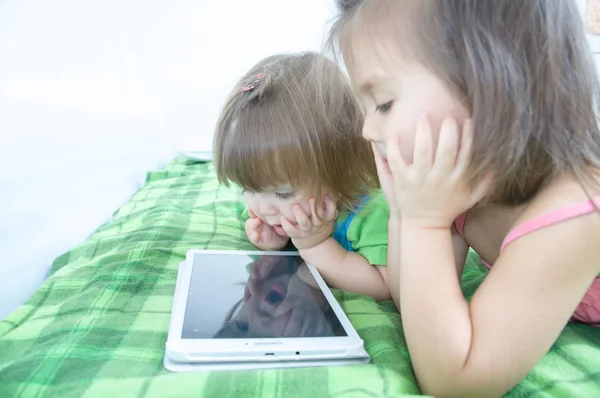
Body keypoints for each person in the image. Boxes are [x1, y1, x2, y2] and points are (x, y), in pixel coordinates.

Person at [327, 0, 600, 396]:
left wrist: (425, 222)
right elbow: (414, 302)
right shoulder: (462, 189)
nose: (368, 129)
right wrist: (405, 211)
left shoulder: (578, 207)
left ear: (493, 88)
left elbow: (458, 381)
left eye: (384, 103)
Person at [213, 52, 390, 301]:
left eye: (283, 193)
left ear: (343, 170)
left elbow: (384, 286)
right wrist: (271, 238)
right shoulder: (271, 206)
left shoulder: (374, 211)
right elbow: (260, 214)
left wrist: (315, 245)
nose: (263, 208)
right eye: (248, 189)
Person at [214, 255, 344, 338]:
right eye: (271, 339)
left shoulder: (262, 253)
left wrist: (279, 251)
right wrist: (310, 285)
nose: (260, 318)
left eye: (242, 325)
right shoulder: (351, 278)